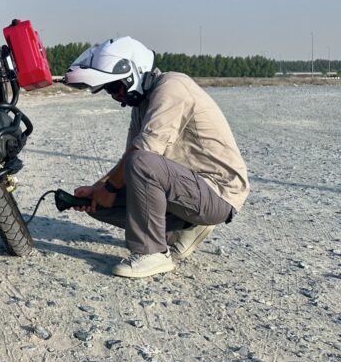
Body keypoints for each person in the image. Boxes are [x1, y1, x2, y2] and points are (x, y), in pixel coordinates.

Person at [62, 37, 249, 278]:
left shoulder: (172, 86)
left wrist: (108, 186)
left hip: (218, 193)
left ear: (133, 72)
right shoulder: (142, 105)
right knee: (97, 205)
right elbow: (128, 161)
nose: (114, 96)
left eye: (115, 87)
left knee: (140, 162)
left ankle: (153, 253)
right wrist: (98, 188)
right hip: (187, 188)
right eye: (109, 90)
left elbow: (143, 155)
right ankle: (181, 233)